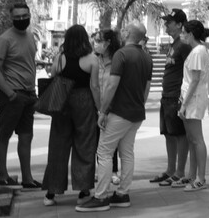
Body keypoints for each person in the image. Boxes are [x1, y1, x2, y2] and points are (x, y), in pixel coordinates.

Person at [76, 22, 153, 213]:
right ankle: (122, 193)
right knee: (127, 153)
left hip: (119, 112)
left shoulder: (122, 54)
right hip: (136, 113)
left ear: (127, 33)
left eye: (125, 29)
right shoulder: (146, 56)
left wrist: (103, 111)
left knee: (104, 152)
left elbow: (111, 85)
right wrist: (139, 105)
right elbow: (147, 88)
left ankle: (101, 196)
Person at [41, 25, 99, 206]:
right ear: (84, 39)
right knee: (85, 145)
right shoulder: (92, 59)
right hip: (84, 101)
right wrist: (100, 108)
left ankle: (51, 192)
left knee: (58, 145)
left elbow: (53, 77)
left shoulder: (60, 58)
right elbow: (95, 87)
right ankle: (83, 191)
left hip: (62, 101)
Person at [0, 3, 41, 189]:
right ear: (11, 18)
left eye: (24, 16)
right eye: (17, 17)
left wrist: (33, 93)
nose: (21, 19)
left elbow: (30, 64)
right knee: (3, 136)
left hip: (28, 95)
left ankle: (27, 178)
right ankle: (3, 176)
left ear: (29, 15)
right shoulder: (5, 39)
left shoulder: (30, 37)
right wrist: (10, 94)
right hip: (12, 95)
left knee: (26, 136)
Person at [149, 9, 193, 188]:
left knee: (180, 134)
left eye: (169, 22)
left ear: (180, 24)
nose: (166, 24)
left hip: (176, 96)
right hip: (166, 96)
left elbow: (191, 71)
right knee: (168, 133)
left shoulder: (183, 45)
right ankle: (170, 169)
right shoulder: (174, 44)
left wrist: (184, 98)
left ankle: (180, 172)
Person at [177, 19, 209, 191]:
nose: (181, 35)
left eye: (183, 32)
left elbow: (195, 80)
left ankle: (201, 178)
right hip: (190, 97)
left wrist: (184, 104)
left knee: (197, 139)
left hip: (194, 99)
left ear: (190, 34)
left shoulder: (198, 51)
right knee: (192, 139)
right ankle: (192, 175)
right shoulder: (197, 50)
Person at [91, 29, 122, 185]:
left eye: (99, 40)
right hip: (96, 106)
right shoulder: (94, 60)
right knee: (98, 140)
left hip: (112, 106)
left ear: (108, 42)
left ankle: (114, 171)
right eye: (95, 40)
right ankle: (101, 170)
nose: (96, 43)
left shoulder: (117, 60)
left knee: (112, 142)